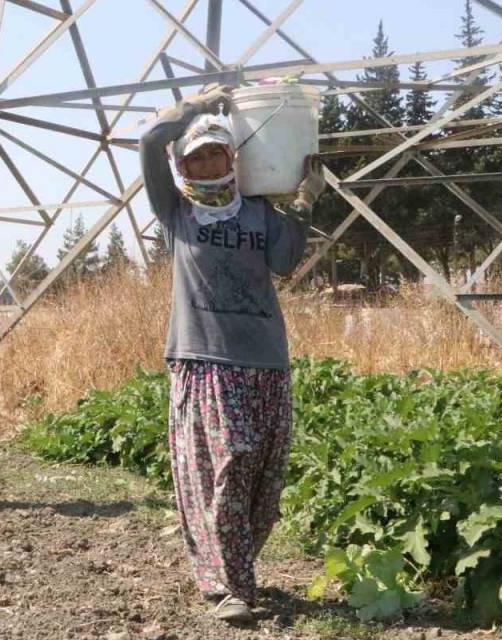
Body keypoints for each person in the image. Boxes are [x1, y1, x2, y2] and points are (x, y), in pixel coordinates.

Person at [139, 85, 326, 623]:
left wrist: (306, 200)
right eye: (195, 156)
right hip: (205, 362)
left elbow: (286, 262)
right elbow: (151, 139)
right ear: (183, 166)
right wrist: (196, 109)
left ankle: (227, 567)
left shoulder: (259, 212)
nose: (205, 162)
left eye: (215, 151)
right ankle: (235, 588)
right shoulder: (177, 213)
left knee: (264, 479)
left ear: (232, 157)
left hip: (266, 360)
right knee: (225, 465)